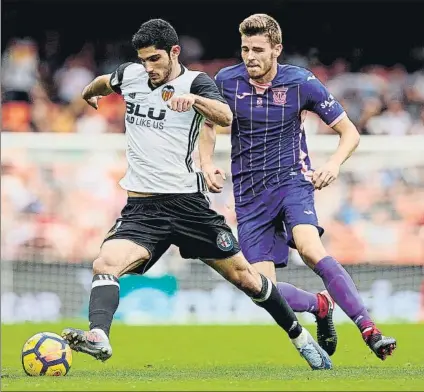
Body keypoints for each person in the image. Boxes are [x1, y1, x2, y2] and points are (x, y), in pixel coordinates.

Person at [61, 18, 332, 370]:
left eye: (155, 59)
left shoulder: (196, 82)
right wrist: (90, 93)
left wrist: (193, 101)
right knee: (104, 264)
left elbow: (225, 115)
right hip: (143, 209)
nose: (149, 68)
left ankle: (302, 339)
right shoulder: (130, 75)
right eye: (143, 60)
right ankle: (99, 336)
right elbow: (103, 82)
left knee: (248, 280)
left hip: (188, 207)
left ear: (174, 52)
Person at [209, 13, 396, 361]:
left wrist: (333, 164)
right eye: (245, 49)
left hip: (292, 182)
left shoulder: (301, 83)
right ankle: (319, 305)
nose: (250, 56)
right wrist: (206, 163)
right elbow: (207, 123)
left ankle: (370, 329)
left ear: (276, 49)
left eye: (258, 49)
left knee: (311, 248)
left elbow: (349, 132)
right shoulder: (226, 81)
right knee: (259, 287)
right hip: (249, 195)